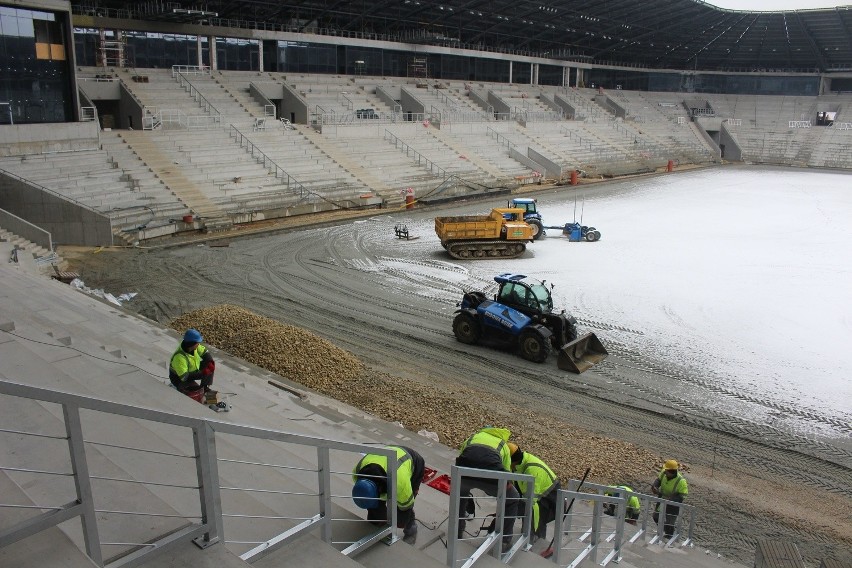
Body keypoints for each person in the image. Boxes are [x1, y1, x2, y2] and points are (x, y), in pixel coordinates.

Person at [455, 426, 519, 552]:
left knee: (461, 495)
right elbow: (505, 474)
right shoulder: (503, 445)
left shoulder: (473, 437)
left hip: (466, 474)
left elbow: (461, 455)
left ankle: (457, 529)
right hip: (491, 478)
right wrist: (508, 485)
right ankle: (504, 541)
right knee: (513, 497)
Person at [351, 445, 425, 542]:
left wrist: (402, 519)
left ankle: (411, 528)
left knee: (401, 519)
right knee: (375, 513)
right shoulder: (357, 473)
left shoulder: (400, 484)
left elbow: (406, 506)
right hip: (385, 457)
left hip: (412, 461)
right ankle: (377, 527)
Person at [509, 443, 560, 542]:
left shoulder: (532, 471)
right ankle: (527, 534)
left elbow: (532, 501)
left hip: (548, 494)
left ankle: (534, 539)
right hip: (533, 491)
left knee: (537, 514)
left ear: (513, 461)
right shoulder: (519, 464)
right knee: (525, 509)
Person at [169, 329, 216, 402]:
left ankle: (205, 387)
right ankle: (198, 392)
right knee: (194, 395)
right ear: (192, 344)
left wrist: (210, 362)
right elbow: (184, 377)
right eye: (197, 343)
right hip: (179, 379)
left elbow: (205, 353)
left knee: (209, 366)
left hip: (192, 371)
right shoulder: (179, 357)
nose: (199, 344)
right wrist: (202, 373)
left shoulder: (194, 347)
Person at [650, 459, 688, 538]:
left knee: (669, 524)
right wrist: (655, 486)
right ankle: (665, 531)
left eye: (667, 471)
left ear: (672, 472)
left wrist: (672, 500)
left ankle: (669, 536)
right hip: (662, 499)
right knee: (656, 517)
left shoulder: (681, 481)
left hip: (673, 504)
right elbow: (658, 480)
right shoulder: (664, 473)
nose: (664, 471)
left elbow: (682, 496)